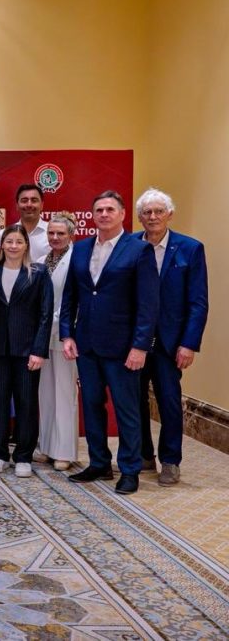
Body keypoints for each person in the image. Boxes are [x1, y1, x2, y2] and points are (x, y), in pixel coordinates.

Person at [61, 190, 159, 495]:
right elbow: (70, 295)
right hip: (86, 344)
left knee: (127, 410)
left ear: (122, 214)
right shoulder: (80, 248)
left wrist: (140, 346)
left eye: (110, 209)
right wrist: (66, 334)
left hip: (123, 347)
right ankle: (99, 463)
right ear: (92, 215)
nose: (103, 214)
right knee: (92, 406)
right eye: (99, 210)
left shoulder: (139, 250)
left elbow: (148, 304)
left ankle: (129, 469)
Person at [133, 188, 208, 486]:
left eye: (158, 211)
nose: (153, 217)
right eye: (147, 212)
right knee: (134, 400)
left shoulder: (190, 249)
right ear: (140, 217)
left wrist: (189, 343)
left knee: (169, 402)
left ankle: (170, 460)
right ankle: (143, 455)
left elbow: (198, 302)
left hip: (170, 342)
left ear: (169, 215)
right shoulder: (129, 246)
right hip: (135, 342)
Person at [0, 225, 53, 477]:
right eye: (9, 241)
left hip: (27, 351)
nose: (13, 246)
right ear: (1, 245)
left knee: (26, 403)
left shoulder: (39, 273)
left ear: (26, 245)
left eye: (18, 242)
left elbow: (45, 314)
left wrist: (39, 350)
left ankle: (23, 456)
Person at [35, 213, 79, 471]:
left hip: (65, 335)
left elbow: (75, 301)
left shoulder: (77, 260)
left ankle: (64, 451)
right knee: (45, 393)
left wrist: (62, 328)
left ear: (71, 235)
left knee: (64, 392)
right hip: (42, 335)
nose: (54, 237)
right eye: (51, 233)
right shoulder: (42, 260)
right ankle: (46, 446)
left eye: (60, 233)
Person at [14, 183, 51, 261]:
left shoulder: (53, 233)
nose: (29, 205)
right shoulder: (4, 234)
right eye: (24, 201)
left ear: (42, 205)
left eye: (34, 200)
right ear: (17, 205)